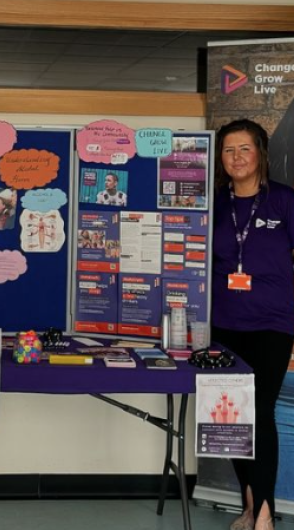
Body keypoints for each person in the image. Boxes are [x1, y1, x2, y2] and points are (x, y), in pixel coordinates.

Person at [212, 119, 294, 530]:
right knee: (231, 419)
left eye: (245, 149)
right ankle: (249, 502)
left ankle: (263, 513)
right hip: (223, 324)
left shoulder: (283, 201)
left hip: (273, 323)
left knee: (259, 412)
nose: (237, 158)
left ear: (260, 152)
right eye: (229, 150)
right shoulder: (214, 204)